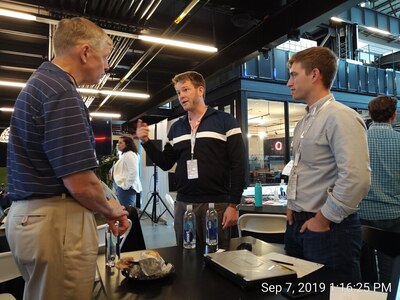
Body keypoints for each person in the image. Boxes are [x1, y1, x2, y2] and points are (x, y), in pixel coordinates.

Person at [5, 17, 129, 300]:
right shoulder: (62, 91)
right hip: (55, 224)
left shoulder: (40, 85)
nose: (107, 66)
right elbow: (81, 184)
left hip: (33, 220)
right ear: (85, 52)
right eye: (105, 56)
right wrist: (111, 211)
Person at [285, 47, 371, 283]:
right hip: (300, 223)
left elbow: (356, 178)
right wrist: (293, 203)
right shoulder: (304, 122)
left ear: (314, 74)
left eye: (293, 75)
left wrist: (323, 219)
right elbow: (303, 168)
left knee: (332, 294)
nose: (288, 83)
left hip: (330, 229)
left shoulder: (341, 116)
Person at [136, 71, 245, 249]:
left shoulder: (226, 121)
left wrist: (233, 204)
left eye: (185, 90)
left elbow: (239, 164)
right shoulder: (176, 128)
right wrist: (146, 142)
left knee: (217, 258)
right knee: (185, 259)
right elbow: (166, 163)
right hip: (184, 204)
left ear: (200, 90)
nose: (181, 96)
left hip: (217, 204)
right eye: (178, 92)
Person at [359, 95, 400, 284]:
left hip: (362, 213)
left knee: (362, 266)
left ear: (370, 115)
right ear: (394, 115)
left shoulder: (358, 140)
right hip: (394, 213)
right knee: (390, 266)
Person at [112, 135, 143, 209]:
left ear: (127, 144)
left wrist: (126, 186)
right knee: (124, 211)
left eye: (120, 143)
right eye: (118, 143)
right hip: (123, 187)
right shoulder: (126, 154)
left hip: (127, 189)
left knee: (127, 212)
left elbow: (133, 172)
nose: (118, 145)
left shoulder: (129, 154)